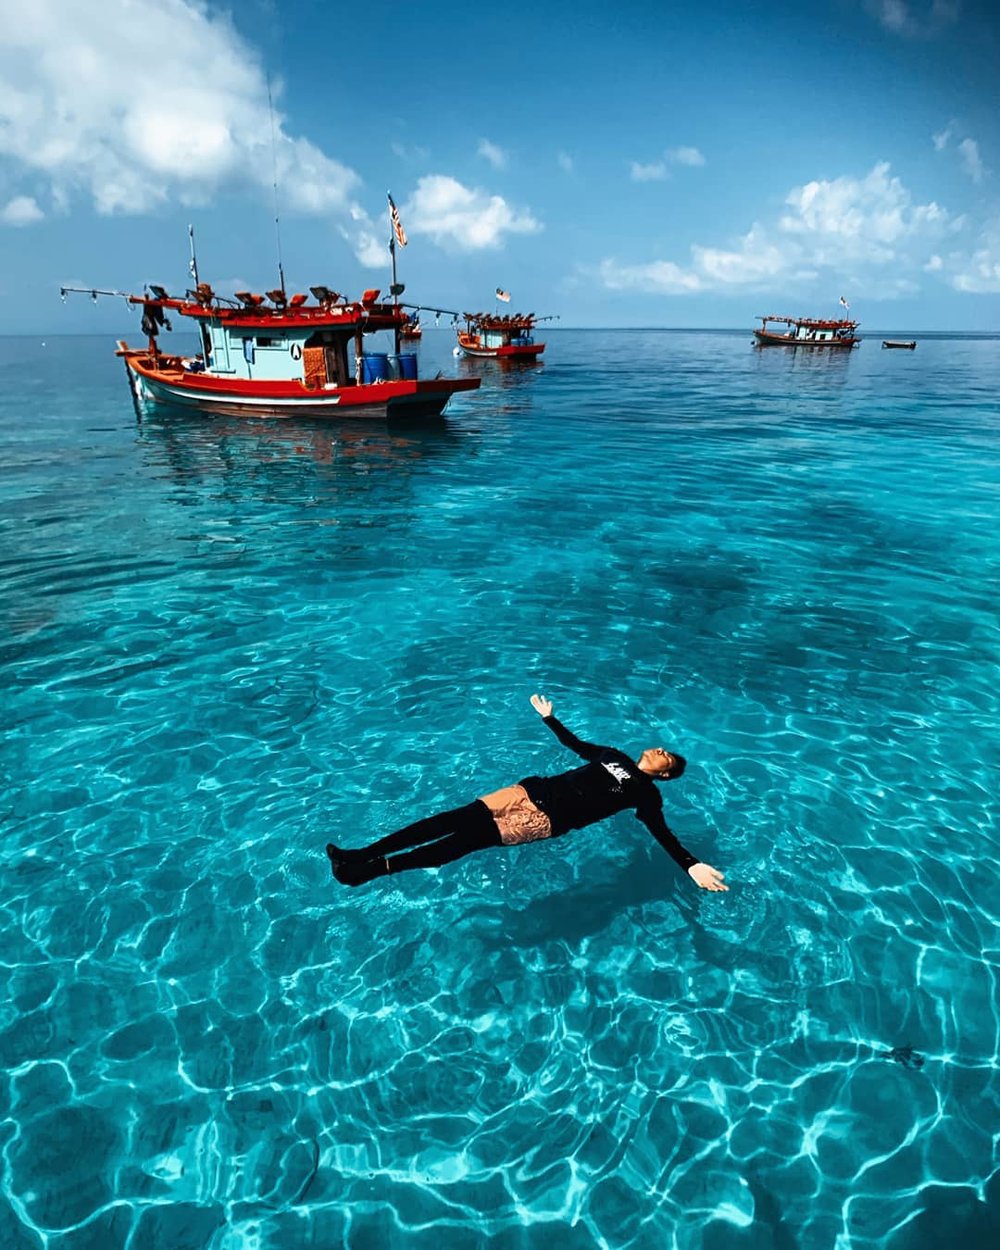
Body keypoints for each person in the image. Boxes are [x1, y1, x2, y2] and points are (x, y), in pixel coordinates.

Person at [326, 695, 727, 892]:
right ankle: (358, 855)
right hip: (524, 792)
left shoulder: (646, 795)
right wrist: (550, 718)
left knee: (460, 842)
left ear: (666, 775)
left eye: (667, 758)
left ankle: (371, 872)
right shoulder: (614, 754)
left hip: (544, 819)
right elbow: (578, 746)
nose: (661, 751)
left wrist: (690, 865)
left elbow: (662, 833)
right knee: (444, 820)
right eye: (662, 748)